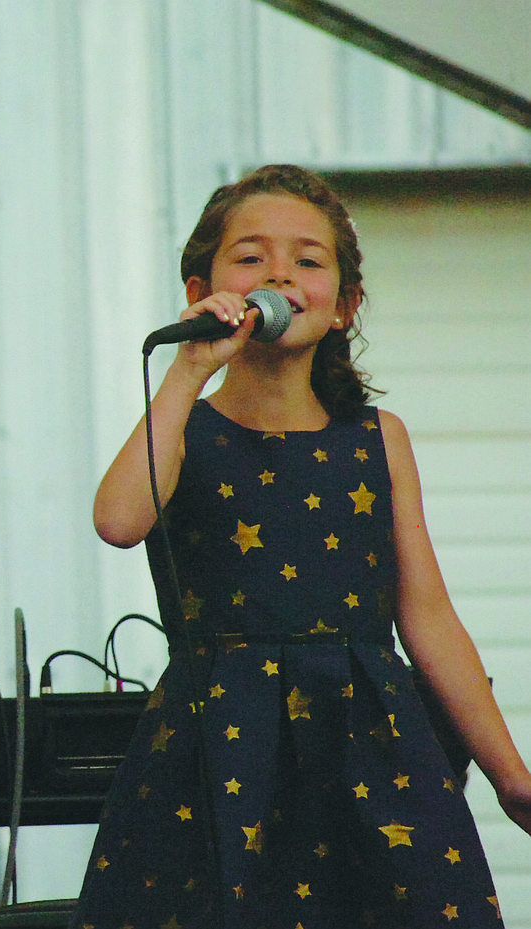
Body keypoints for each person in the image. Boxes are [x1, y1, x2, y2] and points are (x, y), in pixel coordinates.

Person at [71, 164, 531, 927]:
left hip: (367, 746)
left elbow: (429, 618)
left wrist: (510, 773)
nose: (279, 273)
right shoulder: (184, 427)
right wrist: (187, 371)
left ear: (344, 304)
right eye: (250, 257)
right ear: (199, 293)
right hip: (219, 752)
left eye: (308, 260)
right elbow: (119, 519)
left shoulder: (378, 440)